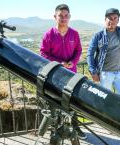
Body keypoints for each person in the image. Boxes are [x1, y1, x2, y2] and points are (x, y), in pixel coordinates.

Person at [40, 4, 87, 139]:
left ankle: (76, 128)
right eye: (60, 15)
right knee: (55, 101)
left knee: (72, 102)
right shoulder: (49, 34)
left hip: (71, 74)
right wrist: (59, 63)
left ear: (69, 17)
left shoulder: (74, 33)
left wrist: (73, 61)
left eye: (66, 16)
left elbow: (78, 50)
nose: (63, 18)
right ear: (55, 17)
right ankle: (55, 129)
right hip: (55, 74)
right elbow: (43, 53)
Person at [87, 8, 120, 100]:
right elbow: (90, 54)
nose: (112, 21)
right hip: (104, 74)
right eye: (110, 18)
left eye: (115, 18)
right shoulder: (98, 36)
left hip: (119, 72)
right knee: (104, 100)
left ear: (118, 20)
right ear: (105, 19)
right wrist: (93, 72)